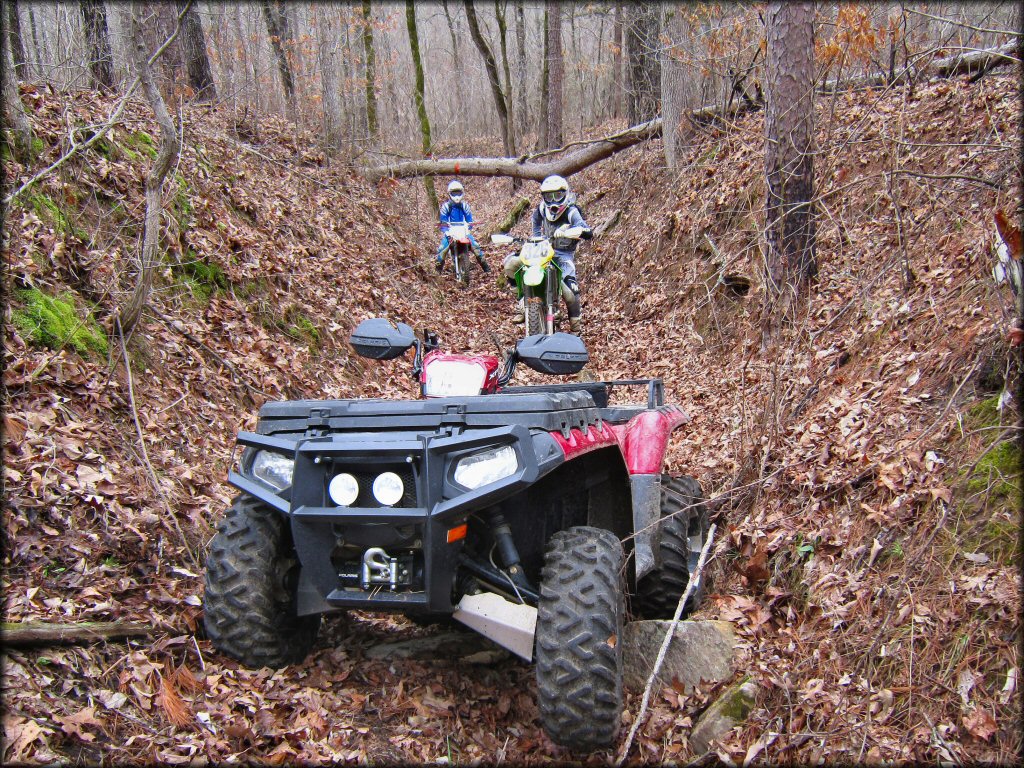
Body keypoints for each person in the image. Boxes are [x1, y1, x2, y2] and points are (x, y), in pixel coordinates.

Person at [530, 174, 592, 333]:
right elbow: (535, 219)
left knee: (571, 291)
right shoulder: (542, 208)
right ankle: (524, 304)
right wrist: (537, 236)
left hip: (564, 254)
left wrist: (568, 230)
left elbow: (585, 229)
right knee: (523, 268)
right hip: (543, 250)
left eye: (557, 195)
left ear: (565, 194)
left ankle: (576, 329)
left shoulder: (571, 211)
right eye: (549, 196)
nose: (553, 201)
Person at [435, 180, 489, 274]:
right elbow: (443, 222)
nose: (456, 196)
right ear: (449, 194)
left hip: (463, 232)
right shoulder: (446, 207)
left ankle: (487, 268)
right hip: (451, 232)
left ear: (462, 193)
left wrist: (468, 228)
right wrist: (447, 232)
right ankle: (437, 271)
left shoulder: (465, 206)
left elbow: (469, 220)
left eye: (458, 193)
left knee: (476, 247)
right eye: (454, 193)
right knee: (442, 250)